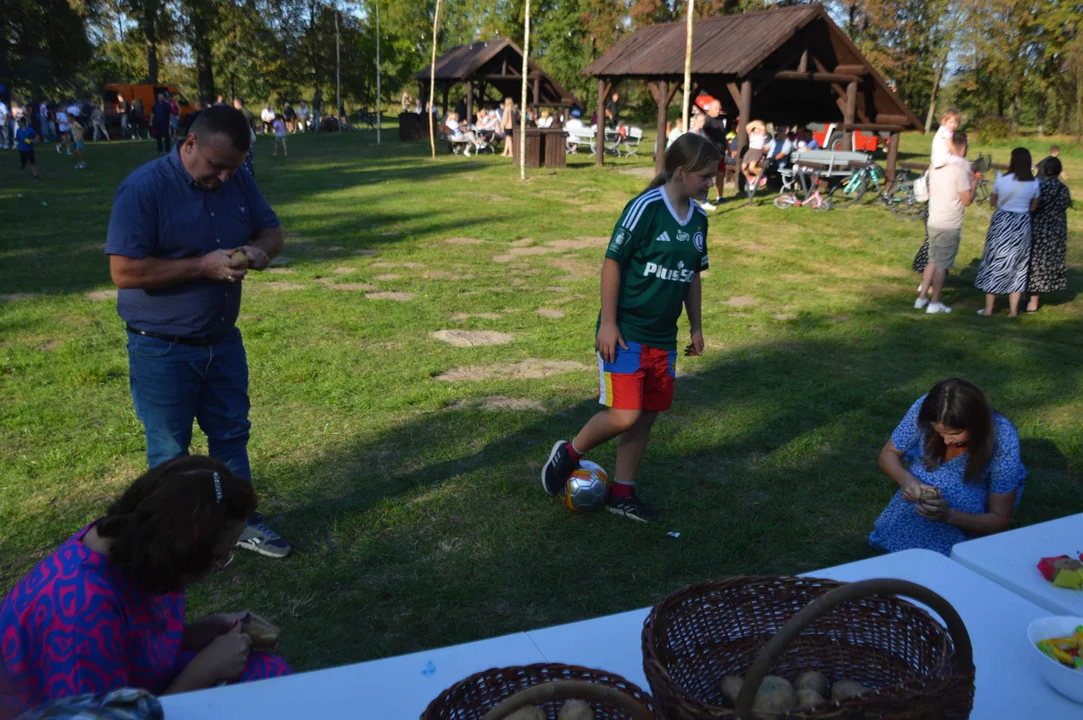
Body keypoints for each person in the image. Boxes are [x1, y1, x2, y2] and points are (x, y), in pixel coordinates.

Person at [104, 105, 290, 559]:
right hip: (161, 348)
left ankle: (240, 524)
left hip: (222, 342)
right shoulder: (144, 189)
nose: (226, 178)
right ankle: (176, 539)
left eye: (234, 168)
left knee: (231, 436)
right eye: (217, 166)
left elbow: (273, 231)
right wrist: (201, 266)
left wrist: (260, 250)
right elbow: (124, 271)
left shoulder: (238, 178)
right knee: (170, 449)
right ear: (189, 144)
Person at [0, 456, 292, 718]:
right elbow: (104, 715)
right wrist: (203, 672)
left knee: (267, 674)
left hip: (132, 691)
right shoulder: (82, 611)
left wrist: (193, 635)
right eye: (218, 558)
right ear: (179, 554)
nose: (220, 565)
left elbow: (127, 639)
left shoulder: (128, 540)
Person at [540, 133, 719, 522]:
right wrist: (608, 323)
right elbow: (612, 262)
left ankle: (623, 493)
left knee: (647, 414)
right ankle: (569, 453)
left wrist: (696, 327)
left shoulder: (700, 220)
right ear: (681, 172)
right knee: (625, 414)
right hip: (625, 331)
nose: (711, 183)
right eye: (705, 176)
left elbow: (692, 275)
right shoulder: (645, 208)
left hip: (663, 337)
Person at [869, 379, 1025, 556]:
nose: (946, 440)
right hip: (924, 485)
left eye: (955, 433)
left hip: (968, 504)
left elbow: (1000, 520)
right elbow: (889, 453)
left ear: (977, 423)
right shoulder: (927, 408)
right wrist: (907, 481)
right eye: (939, 432)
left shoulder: (1003, 438)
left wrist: (950, 516)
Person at [975, 147, 1041, 316]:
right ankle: (1013, 311)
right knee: (1019, 266)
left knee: (995, 262)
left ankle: (989, 309)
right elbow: (1034, 206)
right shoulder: (1034, 183)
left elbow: (992, 201)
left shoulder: (1001, 180)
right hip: (1022, 224)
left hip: (1002, 223)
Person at [916, 130, 973, 315]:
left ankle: (922, 297)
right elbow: (966, 199)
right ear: (962, 148)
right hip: (950, 223)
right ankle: (934, 303)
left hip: (933, 219)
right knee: (942, 265)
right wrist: (974, 185)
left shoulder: (936, 165)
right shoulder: (960, 170)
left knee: (931, 261)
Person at [1026, 157, 1071, 312]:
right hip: (1056, 230)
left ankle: (1032, 302)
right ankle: (1042, 291)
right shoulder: (1064, 189)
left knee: (1035, 264)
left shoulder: (1040, 188)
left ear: (1044, 170)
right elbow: (1065, 205)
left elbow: (1032, 206)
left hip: (1039, 229)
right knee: (1048, 262)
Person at [699, 99, 729, 210]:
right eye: (716, 108)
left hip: (721, 153)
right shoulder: (707, 121)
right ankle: (704, 200)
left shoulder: (720, 121)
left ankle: (719, 196)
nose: (718, 111)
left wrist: (727, 147)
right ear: (710, 108)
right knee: (709, 177)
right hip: (712, 154)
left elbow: (723, 135)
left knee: (721, 176)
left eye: (719, 108)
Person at [740, 120, 768, 187]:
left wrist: (757, 124)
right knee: (743, 167)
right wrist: (755, 123)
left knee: (751, 167)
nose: (757, 129)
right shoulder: (751, 134)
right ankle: (750, 177)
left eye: (758, 129)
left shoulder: (762, 135)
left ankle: (760, 176)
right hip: (750, 150)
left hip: (757, 151)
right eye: (755, 129)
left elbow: (763, 128)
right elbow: (747, 127)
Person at [14, 116, 41, 181]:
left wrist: (32, 141)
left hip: (29, 149)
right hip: (21, 149)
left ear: (23, 122)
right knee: (23, 161)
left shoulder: (30, 130)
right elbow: (17, 138)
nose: (18, 124)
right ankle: (24, 164)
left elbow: (37, 137)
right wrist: (15, 140)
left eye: (19, 122)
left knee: (32, 162)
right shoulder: (18, 130)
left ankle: (36, 175)